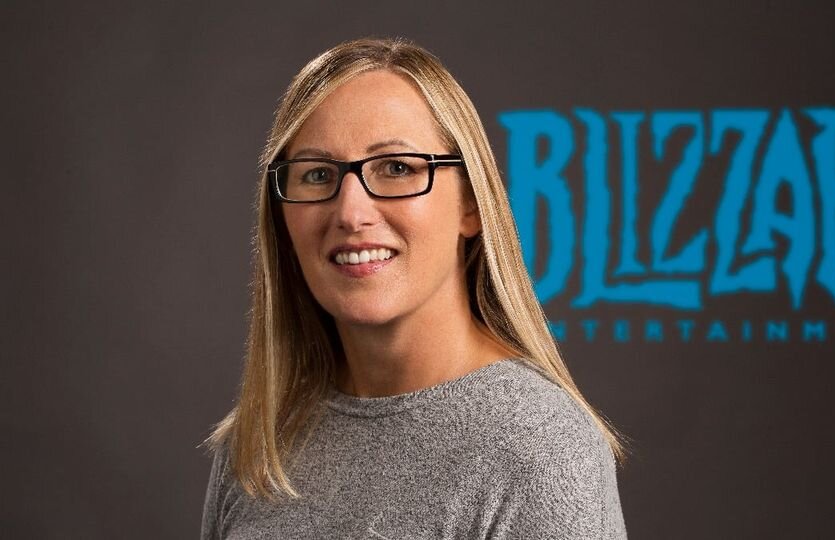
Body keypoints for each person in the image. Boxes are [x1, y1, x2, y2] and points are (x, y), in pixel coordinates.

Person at [200, 37, 629, 539]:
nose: (351, 213)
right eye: (317, 174)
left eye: (397, 168)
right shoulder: (259, 446)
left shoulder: (540, 449)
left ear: (471, 203)